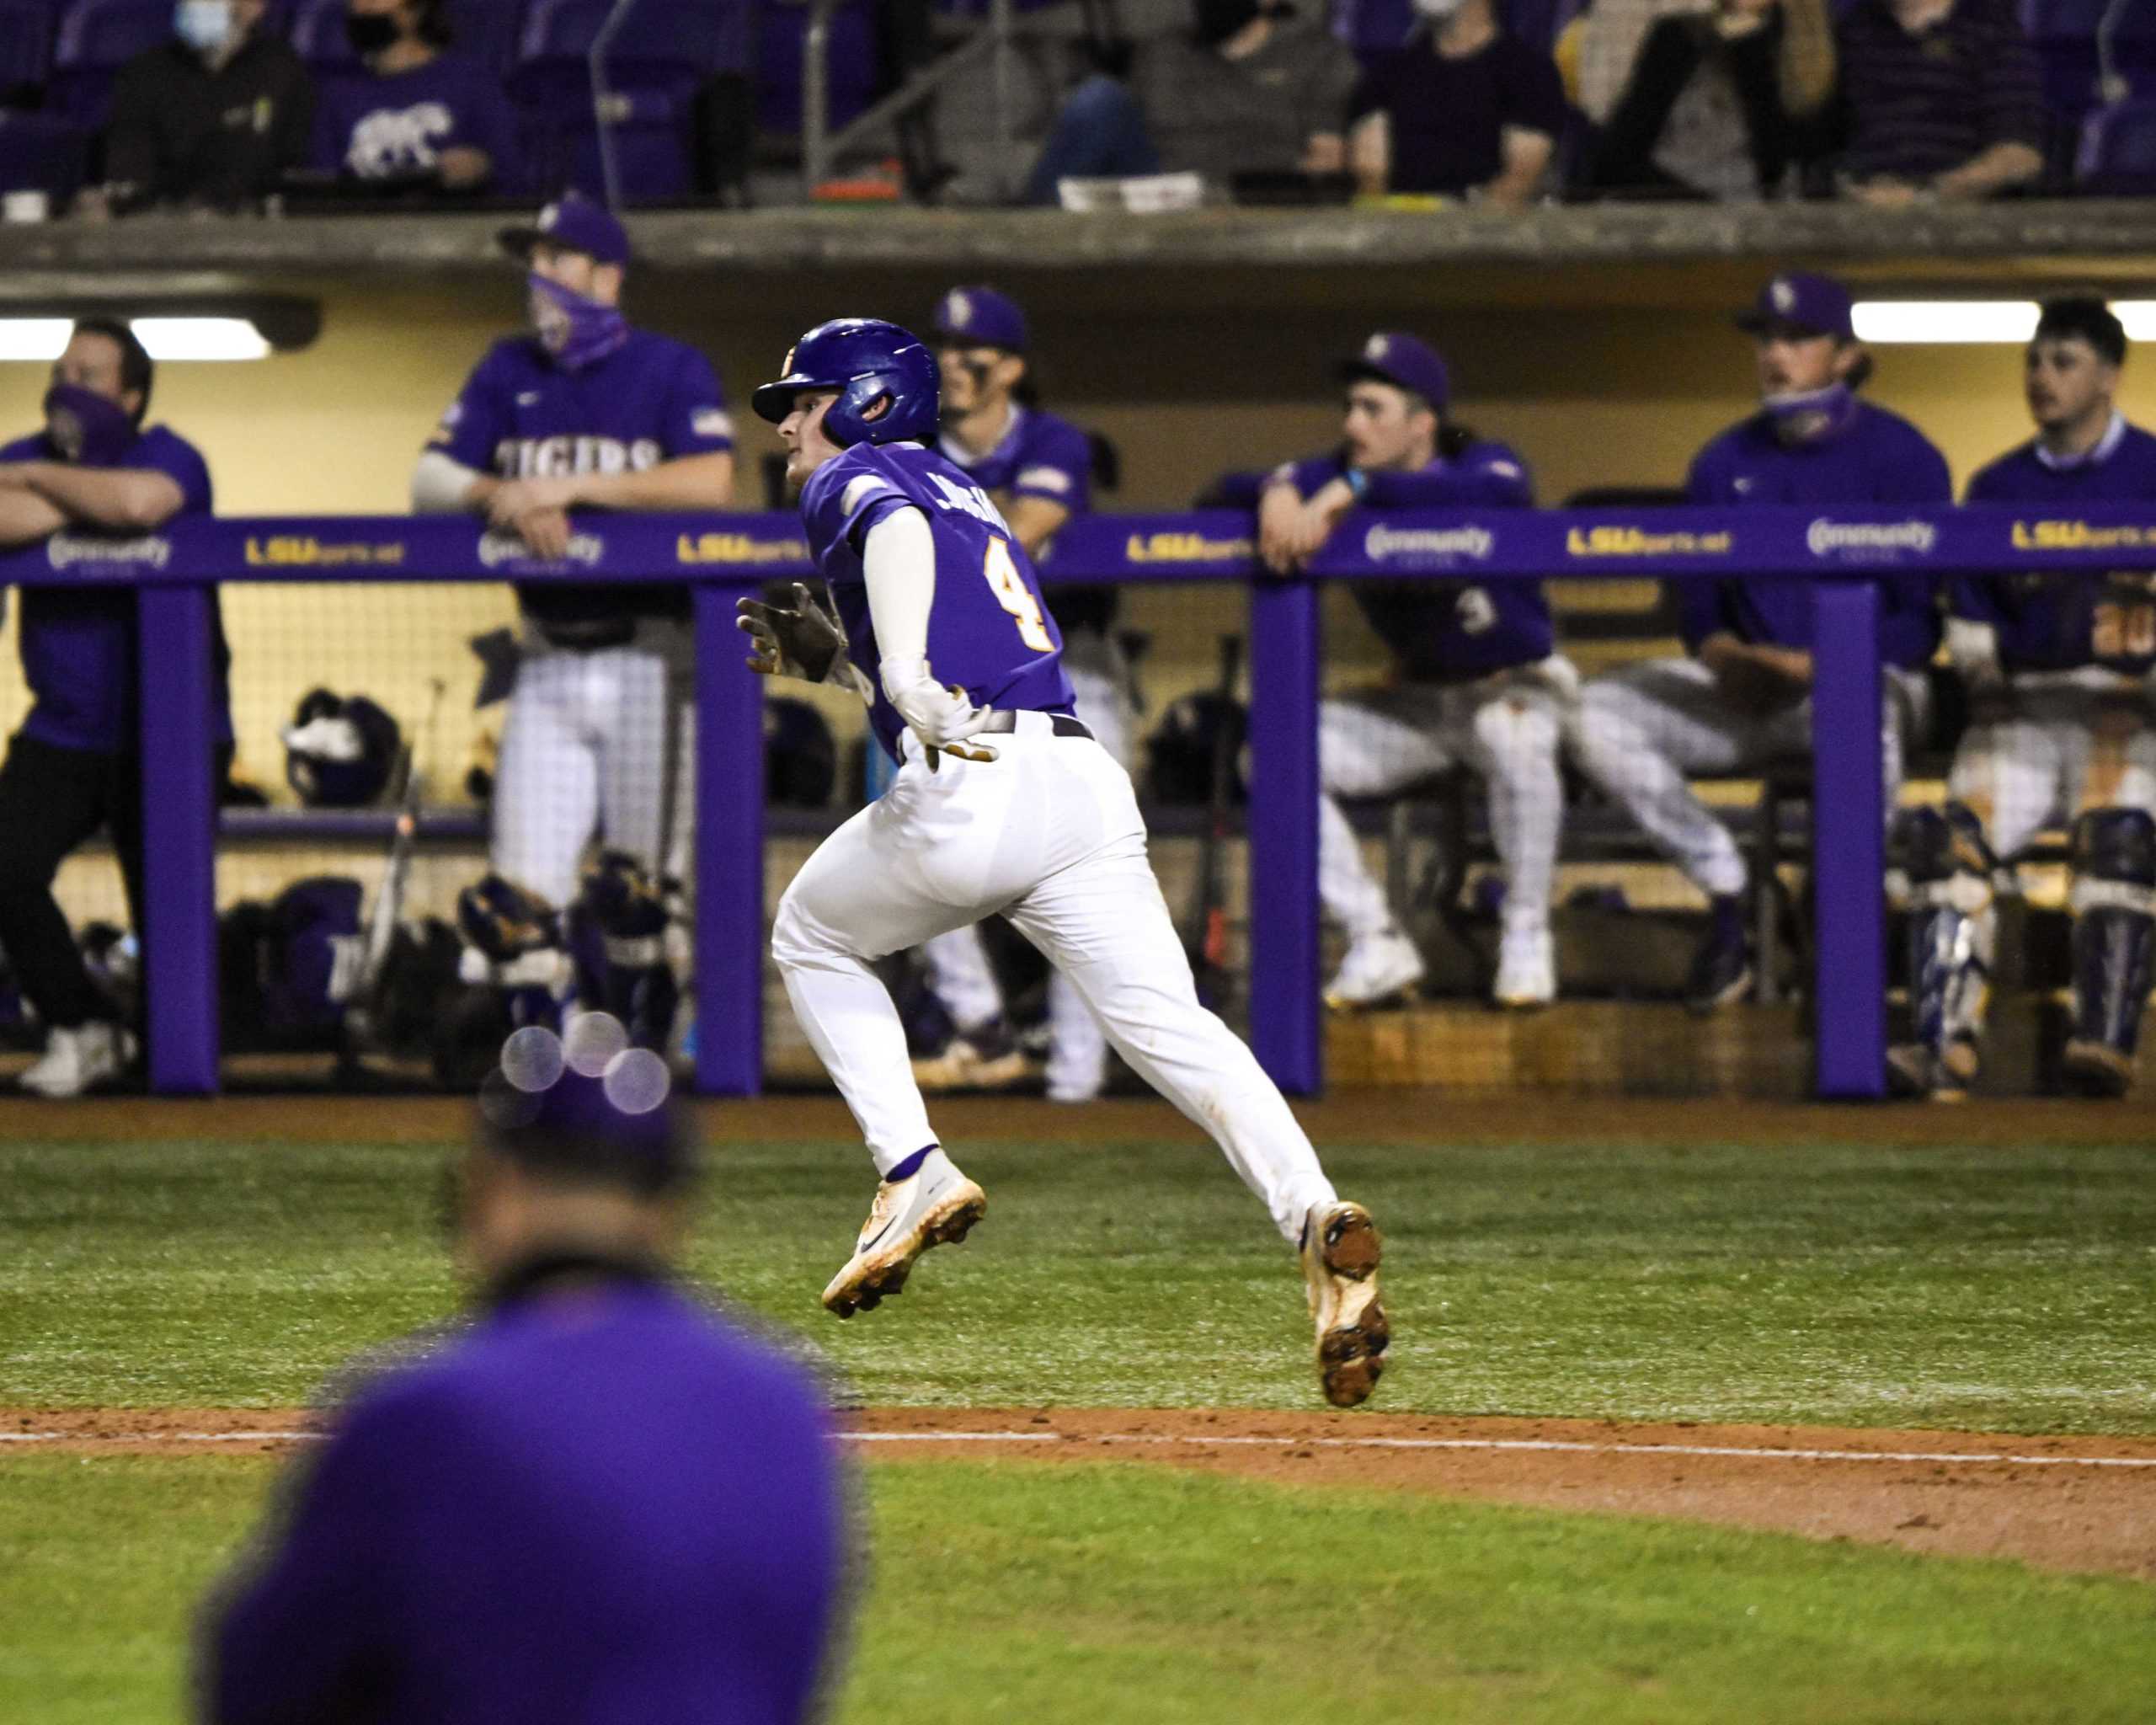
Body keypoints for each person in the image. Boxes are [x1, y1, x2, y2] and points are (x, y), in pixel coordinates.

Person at [741, 318, 1389, 1408]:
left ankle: (911, 1170)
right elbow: (947, 665)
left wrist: (891, 668)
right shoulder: (966, 488)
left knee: (808, 935)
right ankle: (1316, 1215)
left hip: (978, 777)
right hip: (1076, 782)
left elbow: (893, 546)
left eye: (805, 400)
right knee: (1173, 1032)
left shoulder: (862, 473)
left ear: (868, 401)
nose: (791, 424)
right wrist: (851, 672)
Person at [199, 1016, 850, 1725]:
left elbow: (259, 1685)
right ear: (671, 1212)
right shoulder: (784, 1409)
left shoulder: (418, 1418)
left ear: (488, 1188)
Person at [1572, 272, 1951, 1012]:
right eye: (1766, 340)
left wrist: (1822, 664)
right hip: (1749, 693)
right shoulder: (1723, 461)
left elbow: (1920, 624)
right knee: (1593, 711)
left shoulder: (1905, 456)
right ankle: (1734, 891)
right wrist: (1723, 658)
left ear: (1846, 355)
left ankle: (1838, 918)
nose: (1777, 356)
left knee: (1863, 715)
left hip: (1860, 686)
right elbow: (1699, 606)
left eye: (1799, 340)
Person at [412, 195, 735, 1054]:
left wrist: (571, 489)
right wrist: (500, 494)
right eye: (536, 260)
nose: (542, 278)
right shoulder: (506, 366)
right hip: (548, 661)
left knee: (640, 896)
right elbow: (429, 479)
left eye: (560, 260)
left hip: (649, 661)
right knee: (518, 901)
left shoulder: (668, 367)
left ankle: (646, 1071)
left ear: (607, 275)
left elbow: (710, 482)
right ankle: (545, 1080)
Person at [1257, 330, 1568, 1009]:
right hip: (1423, 706)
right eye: (1349, 408)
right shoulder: (1333, 471)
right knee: (1279, 754)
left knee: (1518, 739)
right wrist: (1278, 491)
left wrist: (1353, 488)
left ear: (1423, 422)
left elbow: (1485, 497)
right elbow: (1225, 487)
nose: (1352, 425)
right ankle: (1375, 939)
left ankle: (1526, 934)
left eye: (1373, 410)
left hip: (1515, 685)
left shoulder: (1488, 463)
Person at [1894, 297, 2156, 1099]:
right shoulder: (1997, 483)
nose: (2042, 377)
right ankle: (1943, 1047)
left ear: (2109, 374)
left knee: (2119, 838)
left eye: (2064, 361)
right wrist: (1988, 677)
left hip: (2131, 710)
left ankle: (2104, 1042)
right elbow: (1970, 625)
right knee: (1949, 843)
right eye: (2034, 361)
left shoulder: (2152, 468)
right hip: (2025, 710)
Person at [910, 284, 1135, 1102]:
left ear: (1008, 367)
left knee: (1083, 871)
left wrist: (919, 530)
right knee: (921, 831)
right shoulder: (916, 442)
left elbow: (1020, 525)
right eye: (942, 348)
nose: (950, 365)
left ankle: (1076, 1085)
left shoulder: (1052, 439)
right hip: (965, 682)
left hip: (1078, 674)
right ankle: (983, 1025)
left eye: (969, 353)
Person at [0, 319, 228, 1098]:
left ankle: (169, 1066)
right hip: (62, 727)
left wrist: (44, 485)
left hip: (170, 731)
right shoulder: (22, 456)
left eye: (89, 375)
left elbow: (139, 503)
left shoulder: (169, 451)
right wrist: (69, 492)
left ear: (130, 397)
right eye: (62, 369)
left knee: (165, 911)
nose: (68, 387)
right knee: (6, 869)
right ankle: (82, 1024)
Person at [1022, 1, 1359, 206]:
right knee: (1098, 99)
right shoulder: (1162, 52)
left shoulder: (1317, 56)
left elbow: (1324, 169)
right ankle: (1024, 251)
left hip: (1248, 200)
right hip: (1159, 194)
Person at [1580, 0, 1835, 200]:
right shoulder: (1679, 34)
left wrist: (1749, 50)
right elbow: (1615, 160)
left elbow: (1776, 168)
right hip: (1672, 218)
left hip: (1760, 230)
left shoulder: (1809, 56)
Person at [87, 0, 313, 216]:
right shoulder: (144, 75)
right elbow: (128, 176)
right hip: (164, 228)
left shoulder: (283, 72)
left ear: (254, 6)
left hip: (260, 230)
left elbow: (295, 173)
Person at [1347, 0, 1570, 205]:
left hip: (1486, 240)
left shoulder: (1529, 73)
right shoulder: (1387, 77)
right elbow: (1371, 178)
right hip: (1397, 235)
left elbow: (1519, 180)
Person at [1832, 0, 2043, 205]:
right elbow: (1816, 145)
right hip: (1857, 210)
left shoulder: (1993, 30)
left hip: (1960, 218)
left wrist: (1925, 197)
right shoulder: (1852, 32)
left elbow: (2020, 156)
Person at [312, 0, 518, 195]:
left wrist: (479, 166)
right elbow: (321, 185)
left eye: (375, 0)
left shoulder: (471, 82)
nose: (362, 7)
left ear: (413, 12)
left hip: (449, 225)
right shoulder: (337, 93)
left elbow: (510, 172)